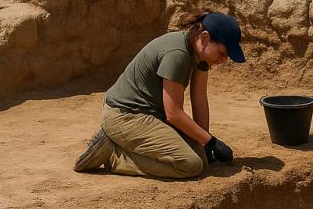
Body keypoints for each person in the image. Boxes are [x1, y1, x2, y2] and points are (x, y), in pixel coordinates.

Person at [73, 11, 246, 178]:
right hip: (125, 115)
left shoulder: (199, 54)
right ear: (205, 37)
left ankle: (123, 146)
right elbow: (173, 114)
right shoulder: (177, 54)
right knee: (190, 165)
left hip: (149, 115)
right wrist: (212, 141)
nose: (224, 60)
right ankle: (114, 154)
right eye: (222, 53)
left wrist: (205, 143)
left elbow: (199, 98)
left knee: (201, 159)